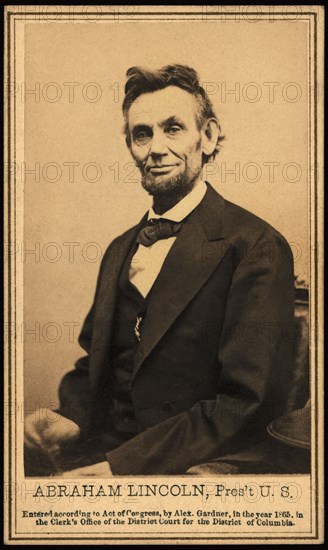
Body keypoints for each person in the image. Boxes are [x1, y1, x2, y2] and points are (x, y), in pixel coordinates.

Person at [24, 64, 295, 476]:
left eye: (173, 128)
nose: (156, 148)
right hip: (99, 451)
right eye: (142, 133)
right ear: (131, 146)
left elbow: (244, 403)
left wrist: (120, 467)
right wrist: (71, 418)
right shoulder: (120, 248)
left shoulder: (256, 246)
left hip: (186, 465)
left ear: (208, 136)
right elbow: (94, 362)